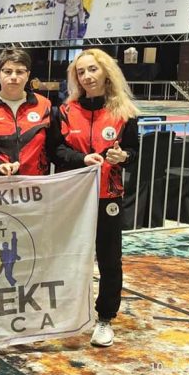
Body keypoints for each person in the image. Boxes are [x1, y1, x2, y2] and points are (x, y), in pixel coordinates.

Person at [52, 48, 139, 347]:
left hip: (108, 196)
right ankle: (66, 312)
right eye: (81, 72)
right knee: (68, 256)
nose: (87, 76)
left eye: (92, 69)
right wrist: (81, 159)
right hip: (72, 197)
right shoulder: (65, 112)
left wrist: (123, 157)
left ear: (106, 72)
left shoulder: (124, 113)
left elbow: (134, 153)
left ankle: (104, 318)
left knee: (109, 260)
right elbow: (56, 150)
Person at [0, 48, 53, 177]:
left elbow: (54, 149)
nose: (14, 77)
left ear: (28, 75)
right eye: (8, 72)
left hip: (35, 184)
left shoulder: (44, 105)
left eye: (20, 72)